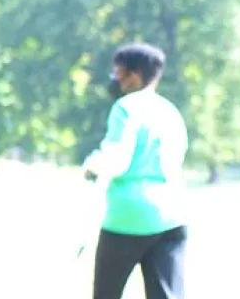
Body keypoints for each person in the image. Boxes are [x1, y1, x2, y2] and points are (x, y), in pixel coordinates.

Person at [82, 42, 190, 299]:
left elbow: (117, 157)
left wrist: (92, 165)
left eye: (119, 72)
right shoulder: (171, 111)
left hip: (129, 216)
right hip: (172, 216)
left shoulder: (126, 107)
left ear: (135, 75)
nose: (115, 79)